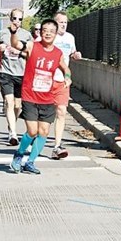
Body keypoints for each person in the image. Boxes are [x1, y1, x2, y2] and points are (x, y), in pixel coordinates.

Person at [9, 19, 72, 174]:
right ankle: (18, 155)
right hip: (30, 95)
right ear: (41, 32)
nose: (48, 33)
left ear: (56, 33)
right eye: (45, 30)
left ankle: (30, 162)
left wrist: (68, 77)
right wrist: (13, 33)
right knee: (32, 131)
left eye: (51, 30)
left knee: (43, 131)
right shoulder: (32, 46)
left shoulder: (58, 53)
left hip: (47, 98)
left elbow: (65, 67)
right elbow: (16, 44)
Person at [0, 9, 32, 146]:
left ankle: (12, 124)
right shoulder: (3, 33)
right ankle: (13, 133)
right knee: (9, 102)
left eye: (20, 19)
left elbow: (30, 54)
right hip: (6, 71)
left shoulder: (27, 35)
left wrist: (19, 52)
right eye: (14, 18)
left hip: (21, 73)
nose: (17, 21)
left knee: (17, 105)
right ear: (10, 18)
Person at [50, 11, 82, 159]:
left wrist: (76, 56)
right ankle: (34, 137)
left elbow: (72, 53)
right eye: (61, 22)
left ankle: (57, 146)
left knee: (61, 111)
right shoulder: (49, 36)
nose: (63, 24)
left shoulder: (70, 38)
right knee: (43, 114)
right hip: (47, 80)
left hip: (63, 80)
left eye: (65, 22)